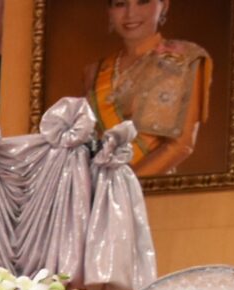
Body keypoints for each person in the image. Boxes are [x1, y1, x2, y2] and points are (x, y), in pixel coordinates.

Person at [83, 0, 213, 178]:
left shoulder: (183, 59)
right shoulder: (94, 72)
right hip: (101, 185)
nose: (130, 14)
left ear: (164, 6)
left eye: (142, 2)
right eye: (120, 4)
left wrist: (124, 187)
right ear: (109, 11)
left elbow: (180, 146)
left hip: (152, 186)